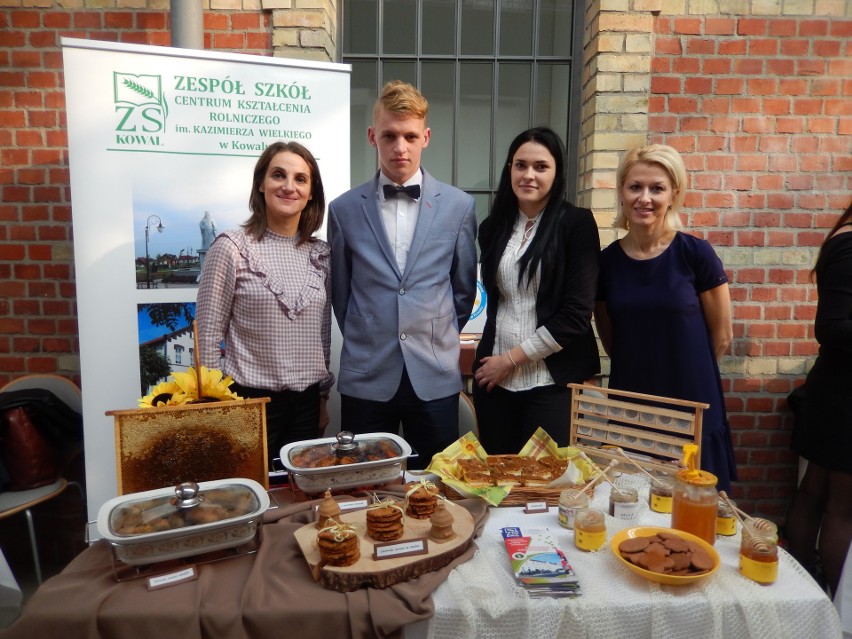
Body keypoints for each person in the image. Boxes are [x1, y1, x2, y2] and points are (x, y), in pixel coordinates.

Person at [328, 80, 477, 470]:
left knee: (437, 485)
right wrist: (370, 331)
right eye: (390, 135)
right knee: (363, 485)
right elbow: (341, 293)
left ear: (425, 137)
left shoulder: (459, 206)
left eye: (410, 136)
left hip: (433, 373)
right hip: (367, 373)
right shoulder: (343, 210)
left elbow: (462, 289)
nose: (400, 147)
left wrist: (432, 332)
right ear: (372, 135)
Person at [594, 143, 737, 492]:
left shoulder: (695, 254)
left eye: (656, 188)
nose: (645, 198)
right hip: (634, 403)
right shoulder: (607, 263)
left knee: (697, 509)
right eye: (635, 187)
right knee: (633, 506)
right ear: (622, 193)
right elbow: (611, 337)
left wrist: (683, 368)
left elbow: (721, 337)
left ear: (673, 194)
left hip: (692, 402)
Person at [196, 141, 334, 467]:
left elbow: (322, 334)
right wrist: (218, 407)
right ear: (261, 183)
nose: (289, 186)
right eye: (278, 175)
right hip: (248, 404)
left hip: (307, 404)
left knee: (299, 498)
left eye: (301, 179)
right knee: (251, 497)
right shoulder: (231, 247)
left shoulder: (322, 255)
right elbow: (206, 335)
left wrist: (323, 397)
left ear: (312, 192)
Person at [472, 127, 600, 452]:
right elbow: (499, 304)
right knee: (498, 483)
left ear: (556, 174)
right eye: (520, 165)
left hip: (551, 384)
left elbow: (576, 316)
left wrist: (510, 360)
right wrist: (496, 364)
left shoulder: (577, 224)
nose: (529, 175)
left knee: (546, 487)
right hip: (495, 383)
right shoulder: (492, 229)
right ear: (510, 169)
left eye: (541, 166)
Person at [785, 199, 852, 596]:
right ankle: (837, 611)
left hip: (837, 391)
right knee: (838, 506)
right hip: (843, 394)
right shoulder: (849, 245)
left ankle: (807, 594)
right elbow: (831, 327)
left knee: (816, 491)